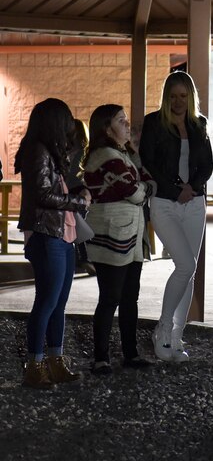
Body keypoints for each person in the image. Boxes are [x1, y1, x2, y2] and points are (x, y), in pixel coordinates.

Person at [15, 98, 90, 389]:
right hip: (48, 235)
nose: (72, 124)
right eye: (67, 119)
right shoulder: (38, 151)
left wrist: (78, 191)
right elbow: (42, 195)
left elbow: (59, 186)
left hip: (62, 234)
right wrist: (77, 201)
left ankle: (55, 361)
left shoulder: (53, 152)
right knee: (46, 302)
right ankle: (34, 365)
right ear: (56, 121)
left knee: (59, 303)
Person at [140, 70, 213, 362]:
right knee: (185, 264)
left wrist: (192, 188)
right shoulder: (153, 123)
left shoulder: (199, 125)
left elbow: (207, 164)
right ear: (166, 97)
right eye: (173, 96)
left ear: (191, 97)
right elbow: (148, 162)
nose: (178, 102)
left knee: (189, 270)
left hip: (194, 202)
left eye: (184, 96)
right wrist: (175, 189)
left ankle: (176, 337)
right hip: (165, 203)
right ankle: (163, 328)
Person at [84, 104, 157, 375]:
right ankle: (101, 357)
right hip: (113, 238)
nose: (128, 125)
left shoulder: (123, 154)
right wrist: (145, 187)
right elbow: (136, 192)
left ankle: (130, 354)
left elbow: (144, 180)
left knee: (129, 297)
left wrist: (143, 182)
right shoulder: (106, 156)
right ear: (106, 128)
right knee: (111, 297)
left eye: (127, 120)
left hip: (130, 237)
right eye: (121, 121)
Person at [68, 118, 95, 275]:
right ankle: (84, 259)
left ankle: (83, 259)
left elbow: (72, 173)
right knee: (80, 225)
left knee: (77, 225)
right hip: (80, 188)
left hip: (72, 189)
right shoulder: (85, 149)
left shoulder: (72, 149)